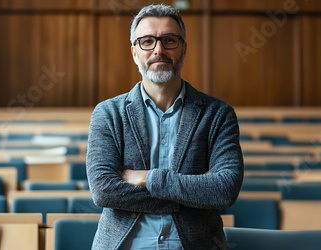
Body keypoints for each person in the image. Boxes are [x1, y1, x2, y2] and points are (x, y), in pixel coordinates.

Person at [86, 4, 244, 250]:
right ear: (134, 52)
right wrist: (191, 194)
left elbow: (224, 190)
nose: (159, 50)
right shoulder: (108, 114)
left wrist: (147, 178)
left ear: (183, 48)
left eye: (169, 40)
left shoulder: (218, 114)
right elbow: (104, 191)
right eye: (147, 41)